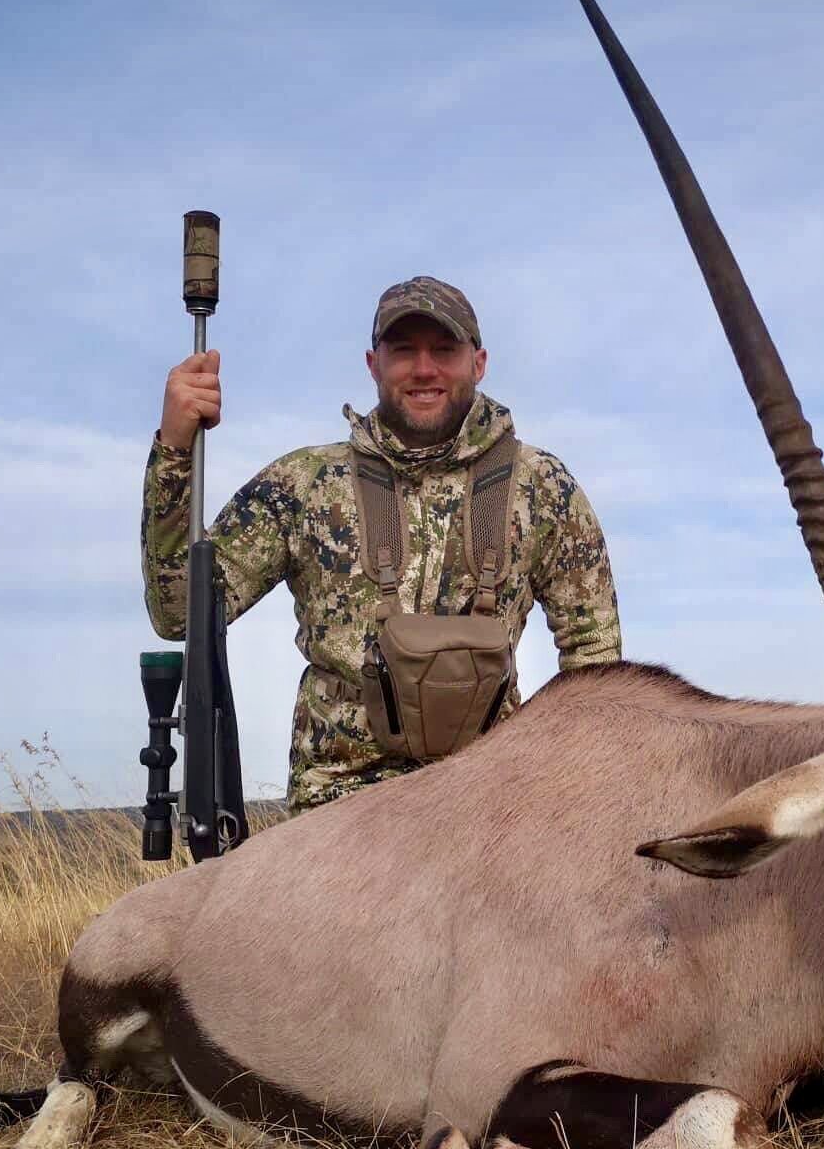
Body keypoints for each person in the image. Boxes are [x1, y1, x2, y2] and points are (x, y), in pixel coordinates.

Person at [142, 275, 622, 817]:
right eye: (403, 352)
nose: (424, 369)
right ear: (373, 364)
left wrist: (570, 794)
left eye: (444, 350)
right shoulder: (304, 484)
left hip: (493, 806)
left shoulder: (544, 487)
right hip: (338, 810)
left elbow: (594, 659)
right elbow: (179, 612)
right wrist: (175, 449)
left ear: (479, 362)